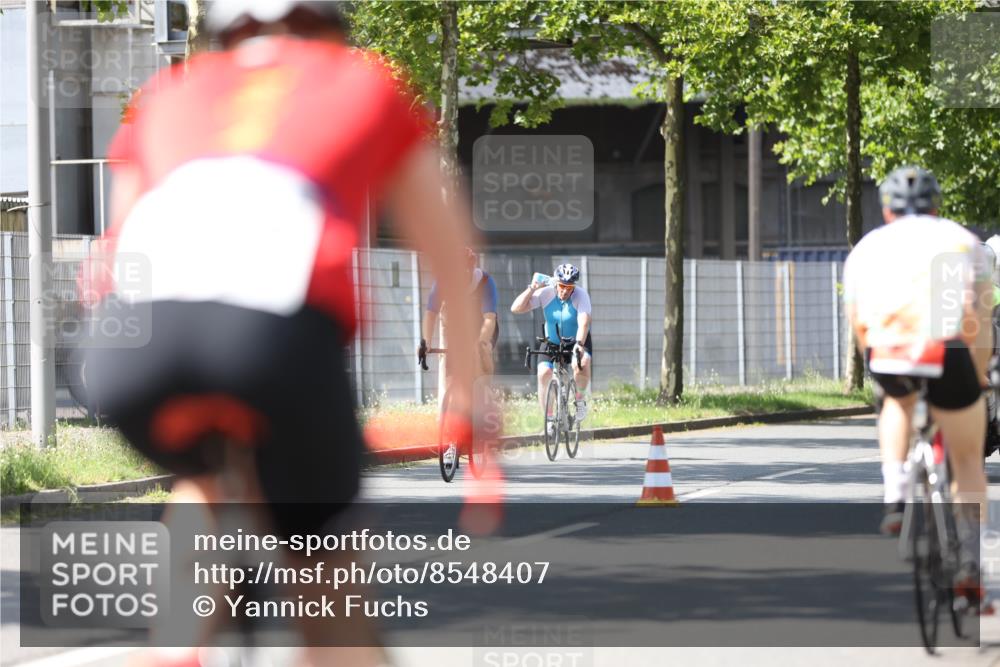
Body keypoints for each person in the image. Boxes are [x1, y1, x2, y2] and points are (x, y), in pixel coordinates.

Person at [80, 0, 481, 663]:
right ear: (330, 23)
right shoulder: (363, 83)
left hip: (130, 356)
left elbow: (115, 249)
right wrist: (466, 399)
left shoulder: (166, 94)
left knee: (200, 473)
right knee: (328, 591)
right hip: (273, 346)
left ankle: (174, 647)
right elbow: (447, 247)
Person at [843, 166, 991, 603]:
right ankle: (967, 560)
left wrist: (875, 354)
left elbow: (857, 317)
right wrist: (978, 376)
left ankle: (896, 494)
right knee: (967, 459)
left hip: (888, 349)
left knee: (896, 401)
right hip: (946, 349)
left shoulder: (869, 247)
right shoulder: (961, 241)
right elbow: (979, 321)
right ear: (937, 205)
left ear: (887, 209)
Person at [510, 263, 592, 425]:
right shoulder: (546, 293)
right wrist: (532, 288)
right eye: (562, 286)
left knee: (581, 363)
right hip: (552, 341)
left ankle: (580, 400)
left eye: (569, 287)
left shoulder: (581, 296)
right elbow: (516, 308)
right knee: (543, 373)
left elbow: (584, 323)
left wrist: (579, 344)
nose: (565, 291)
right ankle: (548, 418)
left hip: (577, 339)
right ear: (555, 283)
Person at [419, 247, 500, 378]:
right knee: (453, 374)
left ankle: (486, 388)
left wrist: (481, 342)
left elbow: (490, 319)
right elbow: (430, 314)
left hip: (484, 324)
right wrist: (426, 342)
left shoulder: (485, 281)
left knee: (481, 355)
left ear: (472, 268)